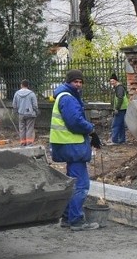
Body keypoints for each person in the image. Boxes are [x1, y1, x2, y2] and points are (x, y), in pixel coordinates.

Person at [50, 69, 102, 231]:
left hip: (66, 146)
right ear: (69, 82)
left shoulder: (64, 96)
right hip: (72, 146)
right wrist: (91, 130)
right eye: (75, 82)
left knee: (72, 183)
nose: (78, 84)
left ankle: (66, 218)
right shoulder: (68, 98)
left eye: (80, 82)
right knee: (81, 184)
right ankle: (76, 220)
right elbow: (75, 122)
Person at [12, 79, 38, 146]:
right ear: (28, 85)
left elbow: (14, 105)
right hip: (30, 114)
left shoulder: (17, 93)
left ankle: (22, 143)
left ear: (21, 85)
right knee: (29, 128)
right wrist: (36, 112)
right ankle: (29, 143)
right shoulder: (31, 94)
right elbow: (35, 105)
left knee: (22, 128)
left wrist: (15, 112)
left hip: (21, 113)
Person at [108, 73, 129, 145]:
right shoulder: (118, 87)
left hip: (120, 109)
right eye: (110, 81)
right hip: (123, 108)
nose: (112, 83)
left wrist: (116, 108)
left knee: (115, 124)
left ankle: (114, 140)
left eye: (113, 81)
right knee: (120, 125)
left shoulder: (119, 88)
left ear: (116, 81)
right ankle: (122, 140)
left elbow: (120, 99)